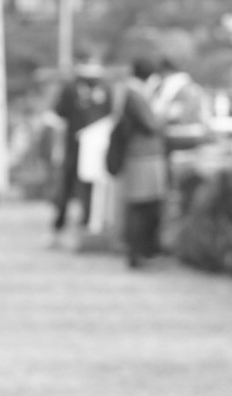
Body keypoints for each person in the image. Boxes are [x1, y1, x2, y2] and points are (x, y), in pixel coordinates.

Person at [109, 56, 169, 269]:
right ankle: (137, 253)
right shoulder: (134, 94)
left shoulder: (128, 91)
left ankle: (139, 252)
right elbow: (151, 124)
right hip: (142, 155)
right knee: (140, 206)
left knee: (141, 205)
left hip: (139, 155)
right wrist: (164, 115)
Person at [49, 49, 110, 246]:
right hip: (84, 148)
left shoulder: (93, 87)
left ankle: (77, 229)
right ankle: (71, 227)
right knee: (77, 188)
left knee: (79, 189)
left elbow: (59, 116)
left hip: (87, 148)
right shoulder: (81, 87)